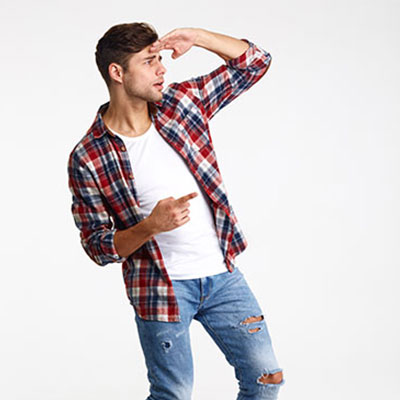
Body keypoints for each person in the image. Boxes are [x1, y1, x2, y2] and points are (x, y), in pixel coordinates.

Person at [67, 22, 285, 400]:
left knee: (266, 379)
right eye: (149, 61)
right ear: (117, 72)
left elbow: (255, 63)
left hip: (223, 278)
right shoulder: (89, 155)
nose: (162, 69)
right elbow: (98, 246)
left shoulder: (182, 104)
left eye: (160, 59)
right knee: (173, 394)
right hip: (159, 289)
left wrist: (198, 37)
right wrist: (150, 226)